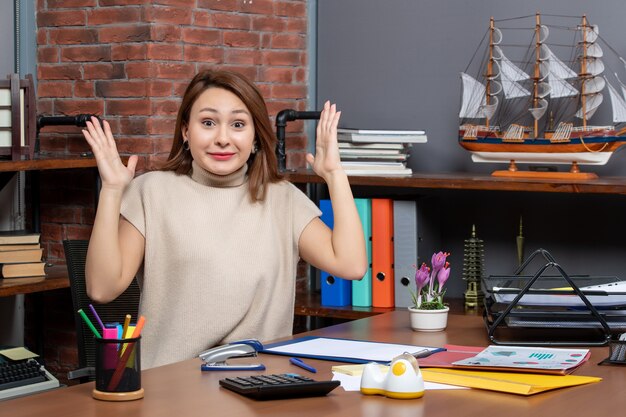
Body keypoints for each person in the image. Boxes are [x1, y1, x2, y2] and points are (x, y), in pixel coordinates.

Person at [81, 69, 367, 369]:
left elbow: (350, 265)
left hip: (259, 388)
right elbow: (102, 288)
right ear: (185, 132)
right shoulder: (152, 191)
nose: (222, 138)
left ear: (256, 136)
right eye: (208, 123)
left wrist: (335, 175)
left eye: (238, 124)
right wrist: (112, 191)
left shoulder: (283, 198)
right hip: (172, 392)